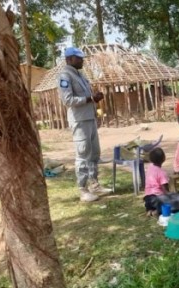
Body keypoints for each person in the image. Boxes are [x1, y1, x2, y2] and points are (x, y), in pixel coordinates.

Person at [58, 47, 111, 202]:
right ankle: (83, 189)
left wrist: (94, 98)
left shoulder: (80, 75)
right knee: (83, 154)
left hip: (90, 118)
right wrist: (89, 99)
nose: (82, 61)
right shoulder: (65, 76)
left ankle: (94, 184)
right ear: (69, 59)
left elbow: (87, 96)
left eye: (82, 58)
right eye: (78, 58)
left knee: (94, 153)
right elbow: (67, 100)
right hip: (79, 120)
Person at [144, 148, 179, 216]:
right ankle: (157, 211)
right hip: (158, 198)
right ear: (164, 158)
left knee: (172, 198)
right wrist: (174, 195)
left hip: (148, 199)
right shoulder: (161, 173)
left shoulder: (150, 167)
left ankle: (150, 210)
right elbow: (166, 191)